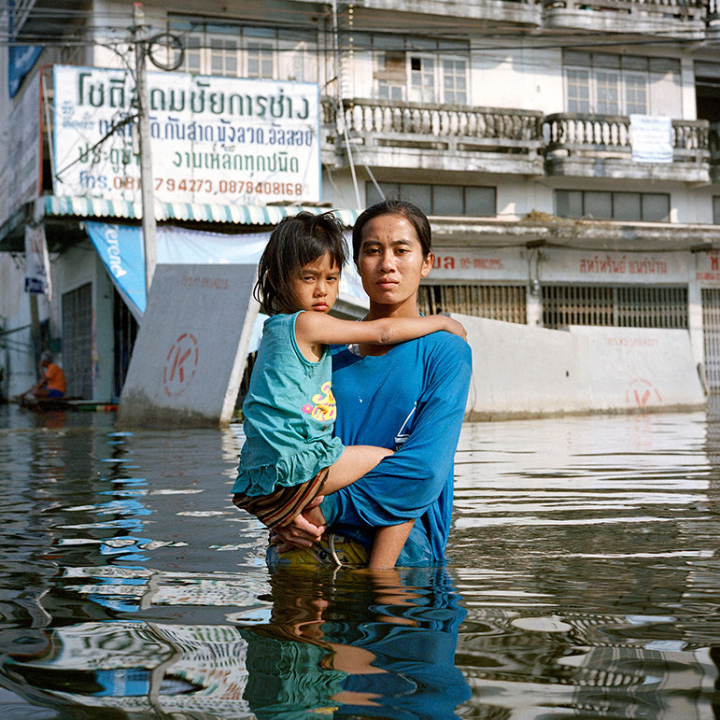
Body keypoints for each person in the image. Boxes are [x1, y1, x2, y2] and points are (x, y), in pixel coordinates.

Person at [232, 211, 466, 569]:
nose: (387, 264)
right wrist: (284, 519)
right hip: (302, 548)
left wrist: (323, 508)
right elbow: (283, 443)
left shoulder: (445, 352)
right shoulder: (324, 352)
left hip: (403, 563)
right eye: (373, 251)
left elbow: (424, 472)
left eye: (401, 250)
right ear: (356, 264)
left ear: (426, 263)